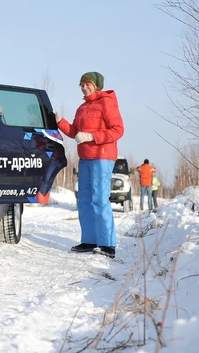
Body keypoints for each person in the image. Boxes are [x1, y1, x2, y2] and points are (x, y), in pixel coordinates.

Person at [55, 72, 125, 259]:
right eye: (82, 85)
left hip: (102, 157)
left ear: (97, 85)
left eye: (87, 84)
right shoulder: (82, 108)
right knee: (84, 200)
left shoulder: (106, 103)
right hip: (85, 157)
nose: (84, 88)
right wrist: (59, 121)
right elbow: (74, 131)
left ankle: (108, 244)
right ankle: (89, 240)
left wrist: (93, 137)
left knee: (100, 199)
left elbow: (118, 130)